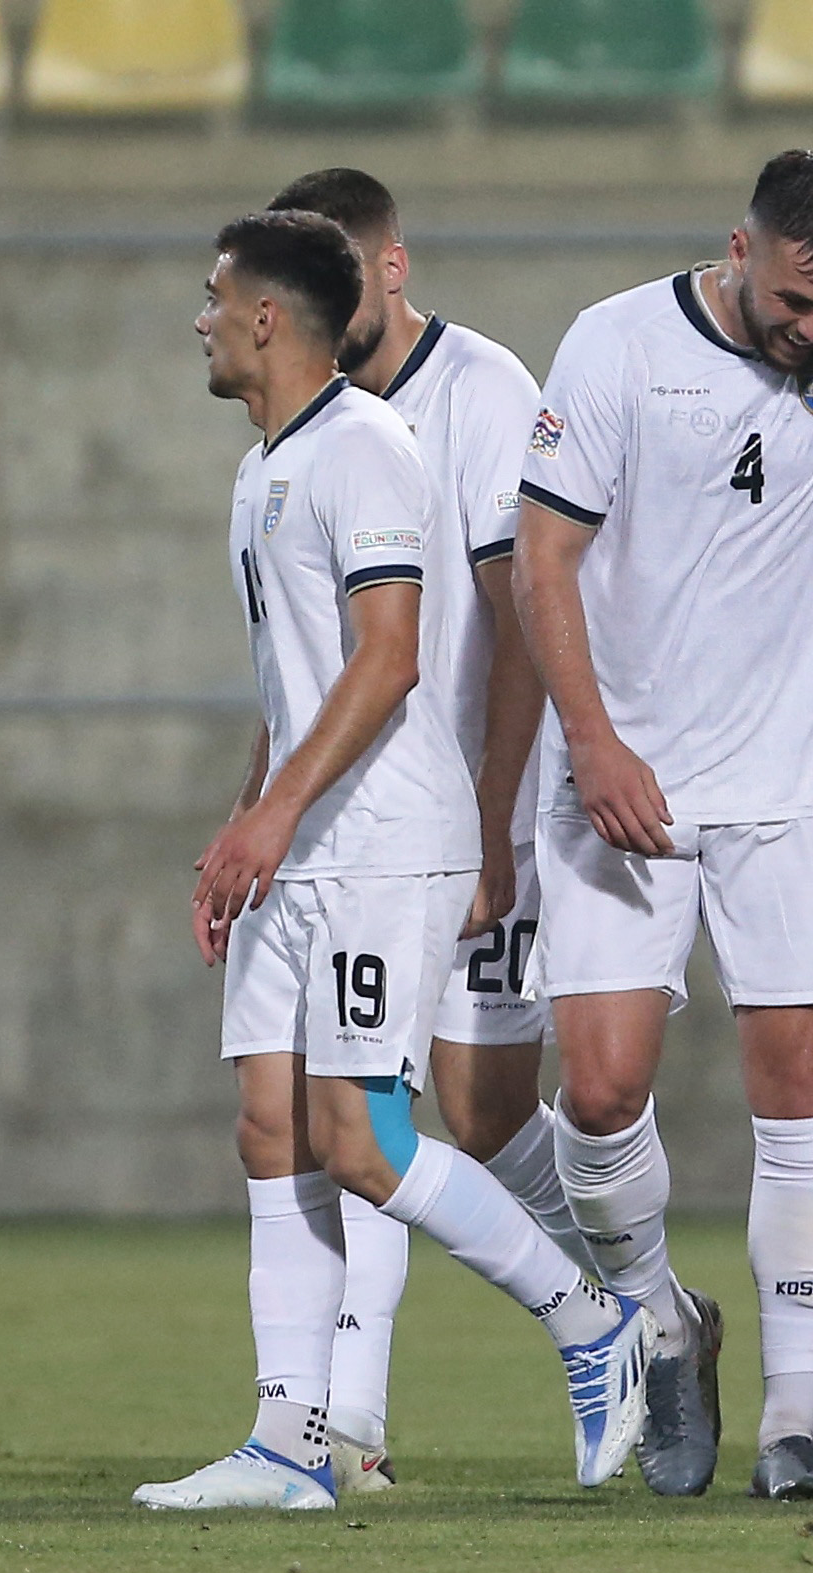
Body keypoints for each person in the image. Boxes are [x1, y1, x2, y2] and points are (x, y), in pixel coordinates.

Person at [137, 211, 655, 1511]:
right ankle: (288, 1444)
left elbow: (388, 659)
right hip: (300, 847)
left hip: (383, 845)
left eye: (215, 297)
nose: (199, 318)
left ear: (270, 317)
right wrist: (245, 823)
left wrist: (281, 819)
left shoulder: (367, 450)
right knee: (273, 1129)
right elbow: (294, 680)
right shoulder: (267, 467)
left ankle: (593, 1321)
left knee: (362, 1137)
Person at [511, 152, 813, 1502]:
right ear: (738, 248)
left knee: (802, 1096)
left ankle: (793, 1425)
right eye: (793, 299)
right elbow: (541, 558)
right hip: (625, 783)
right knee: (604, 1089)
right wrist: (595, 739)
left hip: (793, 787)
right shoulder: (616, 344)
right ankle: (661, 1323)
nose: (810, 328)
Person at [263, 167, 590, 1494]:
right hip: (355, 831)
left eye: (348, 269)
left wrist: (502, 819)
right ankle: (354, 1422)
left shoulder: (484, 393)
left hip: (459, 815)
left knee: (481, 1112)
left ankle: (632, 1308)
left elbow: (514, 623)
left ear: (391, 269)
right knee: (369, 1100)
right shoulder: (299, 427)